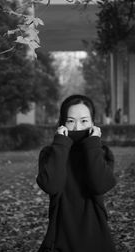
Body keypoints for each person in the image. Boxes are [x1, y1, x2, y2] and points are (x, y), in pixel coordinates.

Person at [36, 94, 116, 252]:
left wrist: (93, 145)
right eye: (71, 121)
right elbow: (52, 186)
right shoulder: (50, 153)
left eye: (84, 121)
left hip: (97, 239)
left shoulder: (102, 153)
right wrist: (60, 144)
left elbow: (99, 185)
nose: (77, 128)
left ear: (93, 124)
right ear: (62, 124)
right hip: (59, 239)